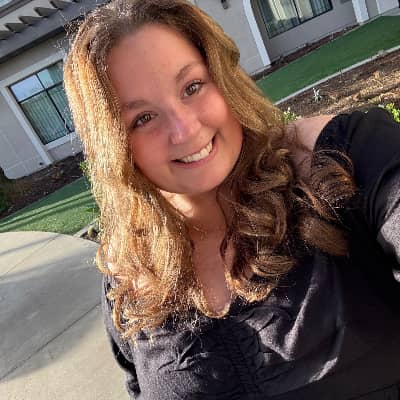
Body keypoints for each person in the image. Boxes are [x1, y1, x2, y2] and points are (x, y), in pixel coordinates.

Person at [64, 0, 400, 398]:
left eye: (192, 87)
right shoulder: (126, 271)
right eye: (143, 118)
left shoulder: (341, 160)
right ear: (115, 146)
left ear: (222, 78)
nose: (185, 130)